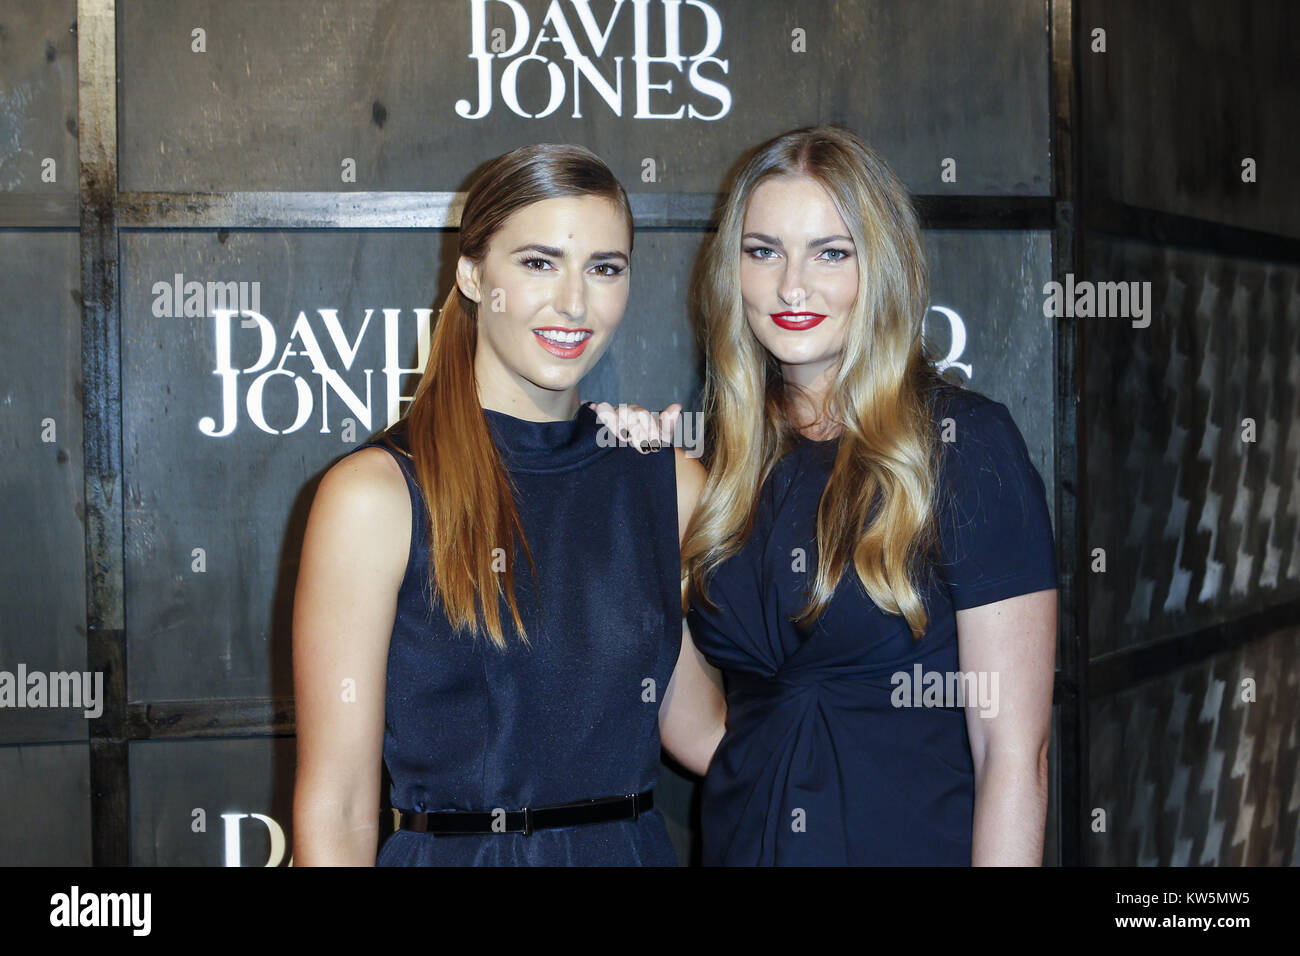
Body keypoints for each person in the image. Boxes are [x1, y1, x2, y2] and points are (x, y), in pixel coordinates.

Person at [592, 125, 1058, 865]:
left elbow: (1012, 751)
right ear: (731, 270)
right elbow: (710, 734)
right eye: (764, 250)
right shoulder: (720, 465)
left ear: (882, 267)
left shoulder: (964, 446)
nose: (792, 286)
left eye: (830, 252)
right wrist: (645, 506)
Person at [291, 143, 725, 866]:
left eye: (604, 268)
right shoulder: (376, 496)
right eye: (538, 262)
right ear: (471, 274)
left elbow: (703, 729)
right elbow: (335, 810)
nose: (574, 302)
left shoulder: (665, 485)